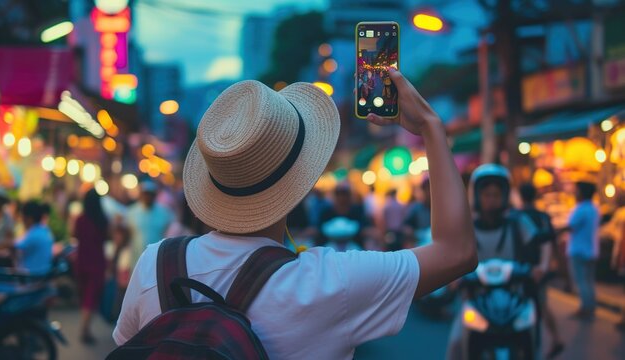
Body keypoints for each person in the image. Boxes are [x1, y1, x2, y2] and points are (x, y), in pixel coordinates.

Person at [114, 72, 477, 359]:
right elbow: (457, 251)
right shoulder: (329, 282)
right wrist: (430, 125)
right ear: (300, 184)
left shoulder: (155, 264)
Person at [447, 164, 539, 360]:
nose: (491, 200)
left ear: (505, 196)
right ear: (477, 196)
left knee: (532, 338)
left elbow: (542, 242)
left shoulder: (518, 222)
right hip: (476, 297)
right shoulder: (466, 225)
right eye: (487, 195)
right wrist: (453, 278)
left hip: (513, 297)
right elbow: (452, 254)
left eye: (496, 195)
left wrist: (542, 267)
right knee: (455, 345)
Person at [519, 183, 564, 358]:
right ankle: (554, 339)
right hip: (539, 270)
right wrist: (555, 266)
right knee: (541, 305)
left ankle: (540, 343)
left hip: (525, 270)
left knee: (536, 306)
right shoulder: (542, 217)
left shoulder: (518, 217)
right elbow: (552, 243)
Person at [74, 189, 109, 344]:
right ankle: (84, 329)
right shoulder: (102, 220)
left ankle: (85, 328)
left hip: (81, 261)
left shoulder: (80, 219)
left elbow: (75, 235)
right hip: (96, 262)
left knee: (84, 296)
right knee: (91, 297)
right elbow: (106, 238)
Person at [561, 182, 600, 319]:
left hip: (579, 250)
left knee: (582, 281)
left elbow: (570, 227)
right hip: (591, 250)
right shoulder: (594, 209)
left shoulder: (581, 209)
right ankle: (590, 307)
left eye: (576, 190)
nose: (574, 193)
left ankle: (585, 308)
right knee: (589, 281)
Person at [126, 180, 174, 269]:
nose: (147, 196)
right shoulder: (131, 212)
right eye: (145, 194)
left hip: (157, 257)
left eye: (150, 194)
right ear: (140, 195)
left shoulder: (164, 212)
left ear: (154, 195)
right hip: (137, 258)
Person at [14, 200, 53, 275]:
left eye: (23, 217)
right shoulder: (44, 230)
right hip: (40, 277)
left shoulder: (34, 234)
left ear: (29, 218)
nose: (22, 220)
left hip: (31, 280)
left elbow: (13, 246)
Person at [403, 178, 432, 247]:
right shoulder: (416, 208)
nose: (430, 192)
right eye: (428, 189)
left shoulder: (441, 207)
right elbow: (406, 226)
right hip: (421, 245)